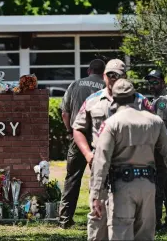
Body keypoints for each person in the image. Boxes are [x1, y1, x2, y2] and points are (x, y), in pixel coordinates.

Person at [90, 79, 167, 240]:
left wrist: (97, 194)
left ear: (114, 99)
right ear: (135, 97)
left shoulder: (112, 123)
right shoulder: (154, 121)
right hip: (148, 186)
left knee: (121, 234)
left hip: (122, 186)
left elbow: (101, 161)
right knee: (145, 236)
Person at [72, 59, 154, 240]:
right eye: (110, 74)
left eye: (117, 75)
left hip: (130, 167)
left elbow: (154, 128)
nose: (113, 78)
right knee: (97, 214)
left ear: (124, 77)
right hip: (100, 165)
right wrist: (87, 154)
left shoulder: (140, 101)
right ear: (103, 76)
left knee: (130, 218)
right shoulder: (92, 101)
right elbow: (77, 128)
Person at [58, 59, 106, 229]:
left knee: (72, 178)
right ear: (103, 72)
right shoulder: (107, 87)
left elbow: (65, 112)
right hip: (101, 139)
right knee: (103, 179)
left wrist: (71, 131)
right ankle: (104, 217)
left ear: (88, 70)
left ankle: (65, 219)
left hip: (78, 138)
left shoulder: (74, 85)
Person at [145, 69, 167, 230]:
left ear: (163, 83)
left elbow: (160, 126)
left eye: (155, 82)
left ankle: (156, 222)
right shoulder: (156, 99)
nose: (152, 85)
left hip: (160, 146)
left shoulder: (163, 101)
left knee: (158, 184)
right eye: (150, 82)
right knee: (165, 184)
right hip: (158, 145)